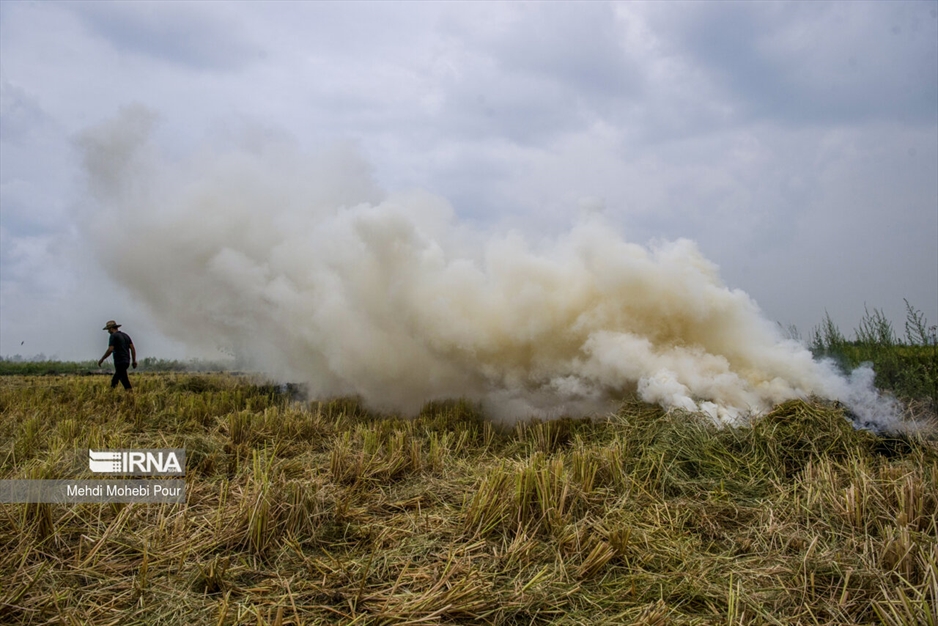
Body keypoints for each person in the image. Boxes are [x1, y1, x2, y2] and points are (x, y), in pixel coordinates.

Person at [98, 320, 137, 390]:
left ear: (111, 328)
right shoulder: (126, 336)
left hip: (119, 361)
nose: (108, 331)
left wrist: (102, 359)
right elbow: (132, 348)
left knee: (116, 380)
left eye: (108, 330)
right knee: (122, 379)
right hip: (126, 361)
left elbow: (110, 349)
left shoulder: (113, 336)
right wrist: (134, 361)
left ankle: (111, 395)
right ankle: (129, 394)